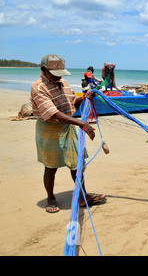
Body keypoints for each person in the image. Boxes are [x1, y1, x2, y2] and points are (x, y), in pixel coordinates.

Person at [30, 54, 104, 213]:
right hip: (50, 129)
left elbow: (71, 103)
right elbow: (53, 113)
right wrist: (82, 123)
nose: (59, 77)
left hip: (68, 126)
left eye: (61, 73)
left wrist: (84, 97)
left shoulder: (63, 83)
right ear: (44, 70)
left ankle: (82, 196)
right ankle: (50, 197)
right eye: (55, 74)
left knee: (77, 164)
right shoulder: (38, 87)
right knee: (51, 166)